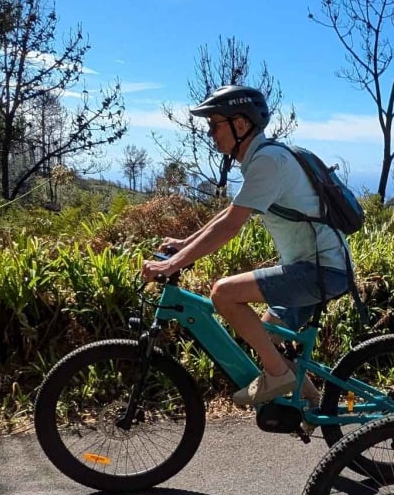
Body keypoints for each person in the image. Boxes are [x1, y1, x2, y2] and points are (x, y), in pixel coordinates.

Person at [141, 84, 351, 407]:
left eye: (215, 125)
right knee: (267, 335)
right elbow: (229, 214)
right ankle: (305, 400)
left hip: (318, 270)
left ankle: (279, 376)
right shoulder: (265, 159)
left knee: (222, 293)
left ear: (240, 125)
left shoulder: (267, 162)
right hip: (318, 267)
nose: (210, 133)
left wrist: (172, 264)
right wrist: (184, 244)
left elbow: (230, 226)